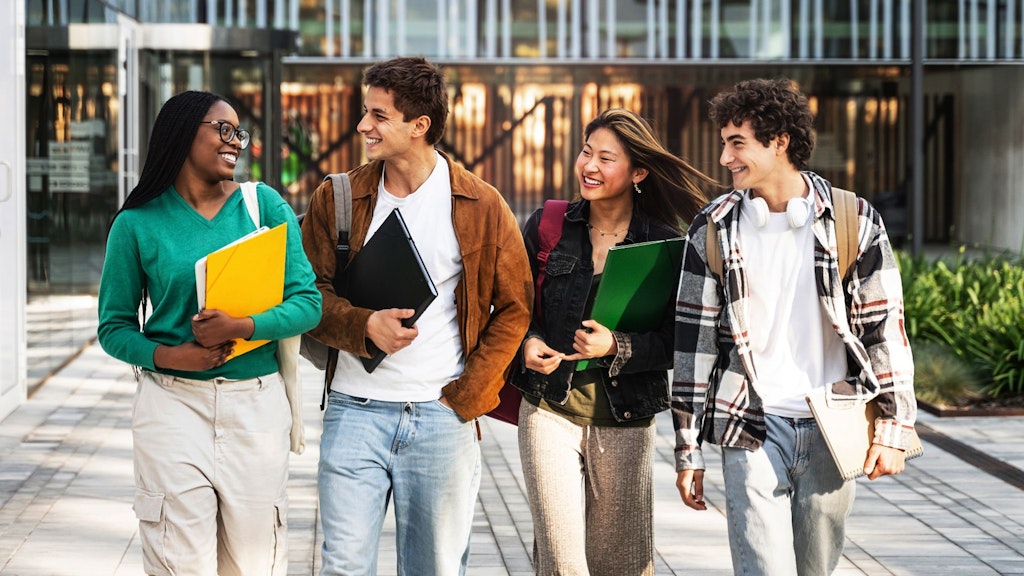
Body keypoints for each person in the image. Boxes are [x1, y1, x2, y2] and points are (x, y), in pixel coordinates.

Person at [672, 78, 917, 575]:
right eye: (724, 143)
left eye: (736, 143)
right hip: (750, 423)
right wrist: (687, 449)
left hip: (834, 424)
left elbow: (884, 329)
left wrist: (895, 424)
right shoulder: (713, 228)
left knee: (815, 569)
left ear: (779, 140)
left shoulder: (854, 220)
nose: (725, 158)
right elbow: (692, 348)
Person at [301, 56, 533, 576]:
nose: (364, 126)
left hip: (439, 418)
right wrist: (362, 325)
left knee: (435, 569)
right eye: (366, 112)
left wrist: (468, 397)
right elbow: (306, 294)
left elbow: (515, 307)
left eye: (379, 115)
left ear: (419, 125)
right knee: (343, 567)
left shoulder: (482, 205)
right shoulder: (338, 196)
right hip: (353, 412)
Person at [97, 90, 322, 576]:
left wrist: (244, 326)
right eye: (223, 129)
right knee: (181, 562)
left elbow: (308, 303)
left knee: (253, 564)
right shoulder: (137, 224)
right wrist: (171, 357)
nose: (235, 141)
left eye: (238, 132)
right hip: (171, 407)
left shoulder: (263, 206)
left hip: (256, 408)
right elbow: (113, 327)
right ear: (181, 134)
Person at [512, 108, 717, 575]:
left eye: (607, 158)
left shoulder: (667, 246)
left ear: (638, 172)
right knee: (564, 564)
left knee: (622, 565)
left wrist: (616, 347)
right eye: (587, 152)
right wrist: (527, 342)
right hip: (548, 411)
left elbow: (676, 342)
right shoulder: (549, 223)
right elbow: (515, 308)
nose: (589, 166)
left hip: (626, 420)